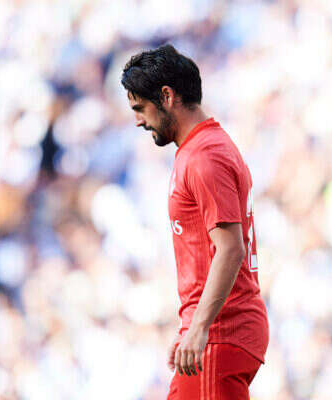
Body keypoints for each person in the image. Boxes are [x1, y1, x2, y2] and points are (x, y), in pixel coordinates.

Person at [121, 44, 269, 399]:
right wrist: (191, 325)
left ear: (167, 96)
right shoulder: (202, 149)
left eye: (140, 108)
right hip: (217, 331)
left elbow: (230, 249)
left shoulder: (204, 156)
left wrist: (200, 327)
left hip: (221, 332)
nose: (138, 121)